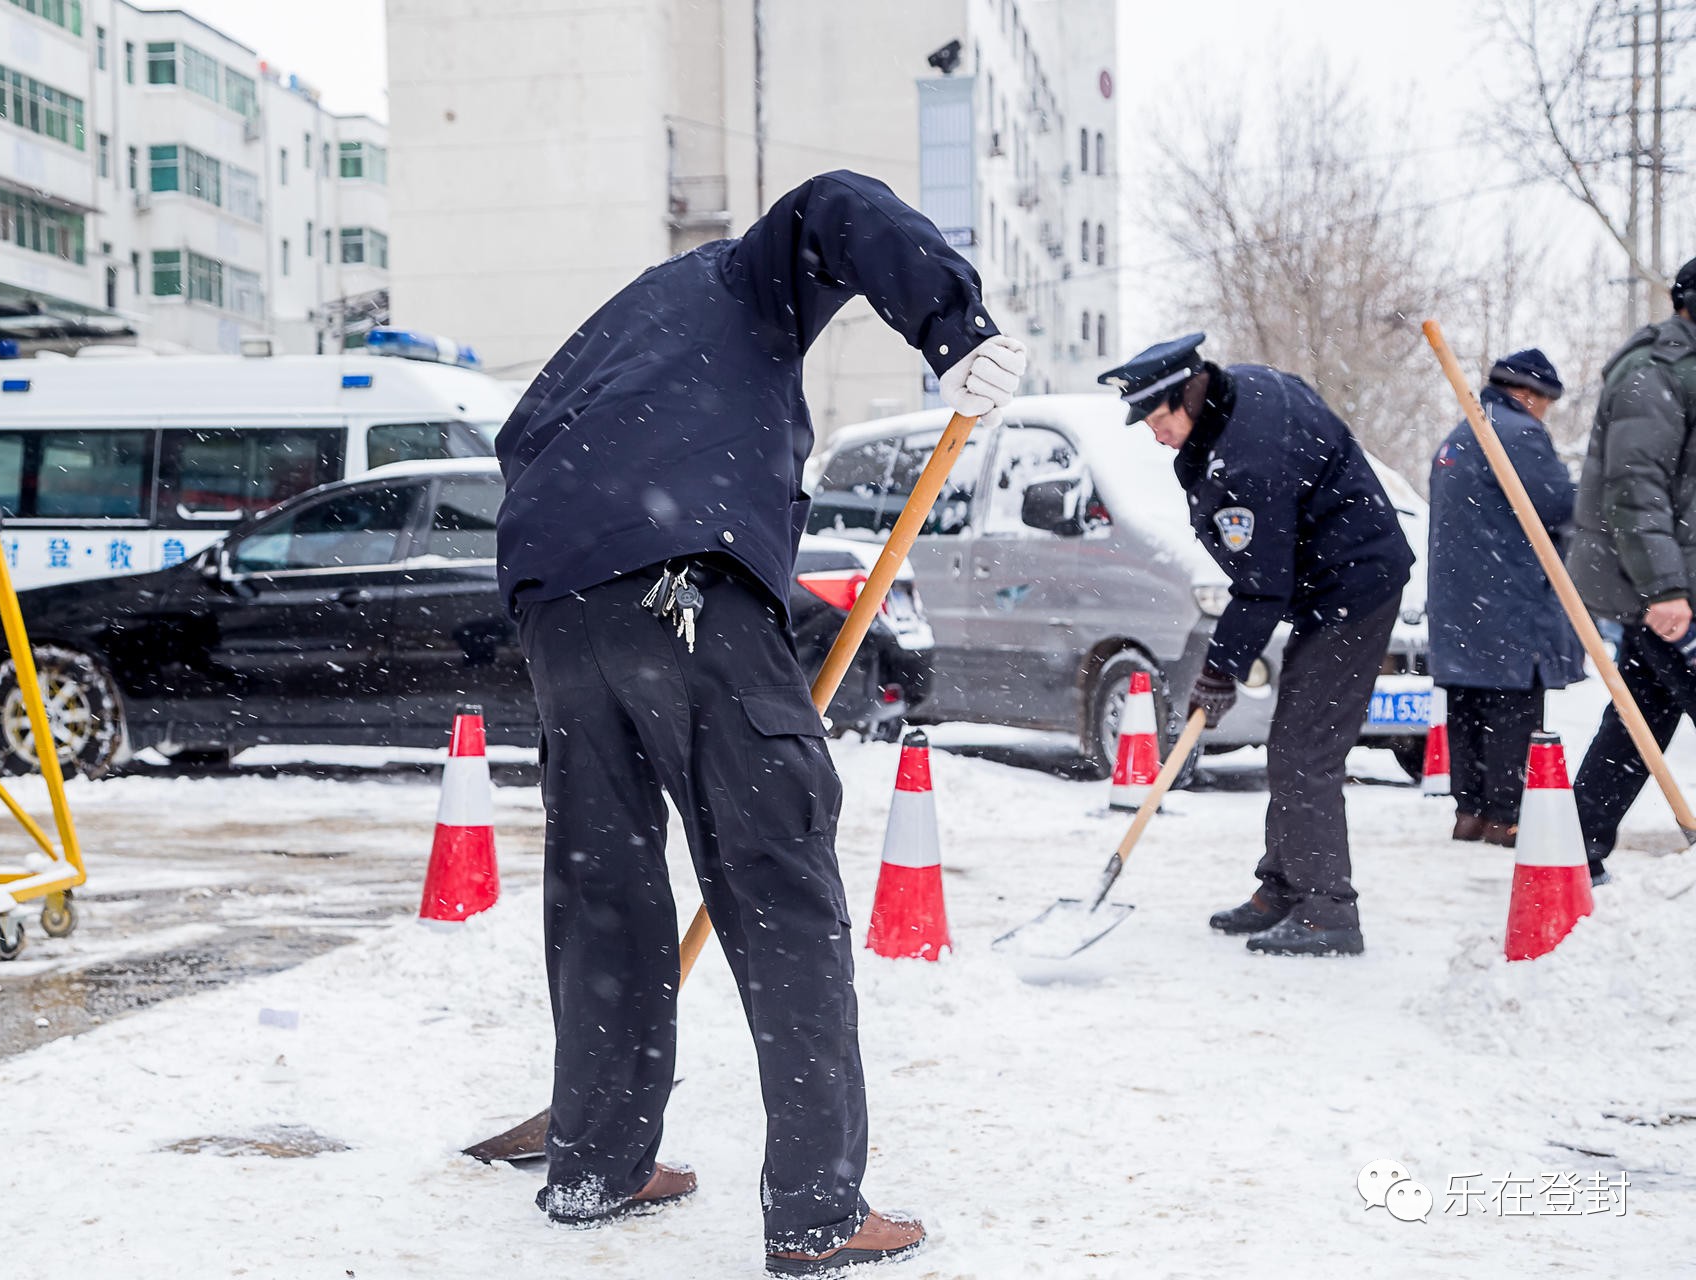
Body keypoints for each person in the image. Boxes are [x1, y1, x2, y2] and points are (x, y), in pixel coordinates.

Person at [496, 170, 1023, 1273]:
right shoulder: (740, 278)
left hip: (555, 605)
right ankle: (818, 1208)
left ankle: (596, 1159)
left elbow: (519, 439)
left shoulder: (619, 334)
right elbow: (834, 202)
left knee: (605, 886)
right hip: (684, 590)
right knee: (779, 876)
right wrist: (953, 323)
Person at [1097, 334, 1415, 956]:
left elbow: (1260, 586)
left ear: (1189, 394)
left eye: (1158, 420)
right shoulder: (1242, 391)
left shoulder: (1248, 461)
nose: (1156, 435)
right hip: (1333, 582)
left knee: (1306, 748)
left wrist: (1218, 675)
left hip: (1354, 587)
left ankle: (1328, 910)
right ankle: (1285, 888)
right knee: (1294, 739)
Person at [1567, 256, 1696, 883]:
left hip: (1674, 582)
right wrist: (1665, 588)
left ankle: (1574, 847)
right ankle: (1574, 847)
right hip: (1660, 587)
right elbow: (1635, 488)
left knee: (1637, 719)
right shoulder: (1654, 373)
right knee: (1641, 714)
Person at [1427, 349, 1584, 846]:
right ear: (1528, 395)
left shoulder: (1459, 435)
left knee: (1467, 706)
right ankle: (1506, 816)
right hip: (1510, 601)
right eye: (1545, 402)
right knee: (1511, 709)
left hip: (1460, 604)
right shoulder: (1520, 434)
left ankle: (1469, 812)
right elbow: (1560, 506)